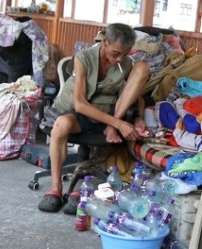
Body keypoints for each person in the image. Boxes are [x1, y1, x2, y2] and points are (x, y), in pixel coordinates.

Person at [37, 23, 149, 213]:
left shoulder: (125, 63)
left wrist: (137, 116)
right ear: (105, 41)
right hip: (76, 113)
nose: (119, 58)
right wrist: (118, 123)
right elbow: (80, 104)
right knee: (60, 125)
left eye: (125, 53)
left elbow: (134, 94)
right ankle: (55, 188)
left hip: (105, 114)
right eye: (115, 53)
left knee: (143, 67)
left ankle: (83, 186)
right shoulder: (84, 58)